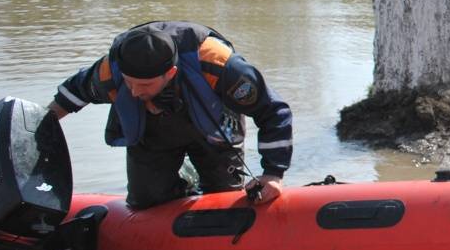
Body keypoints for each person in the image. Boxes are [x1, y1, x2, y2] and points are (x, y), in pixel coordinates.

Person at [49, 21, 293, 208]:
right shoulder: (110, 70)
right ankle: (183, 184)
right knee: (146, 201)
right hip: (151, 131)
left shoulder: (217, 64)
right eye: (129, 83)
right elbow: (68, 97)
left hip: (212, 124)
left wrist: (273, 173)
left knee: (223, 196)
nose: (134, 92)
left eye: (144, 85)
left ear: (171, 72)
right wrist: (37, 129)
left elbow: (273, 111)